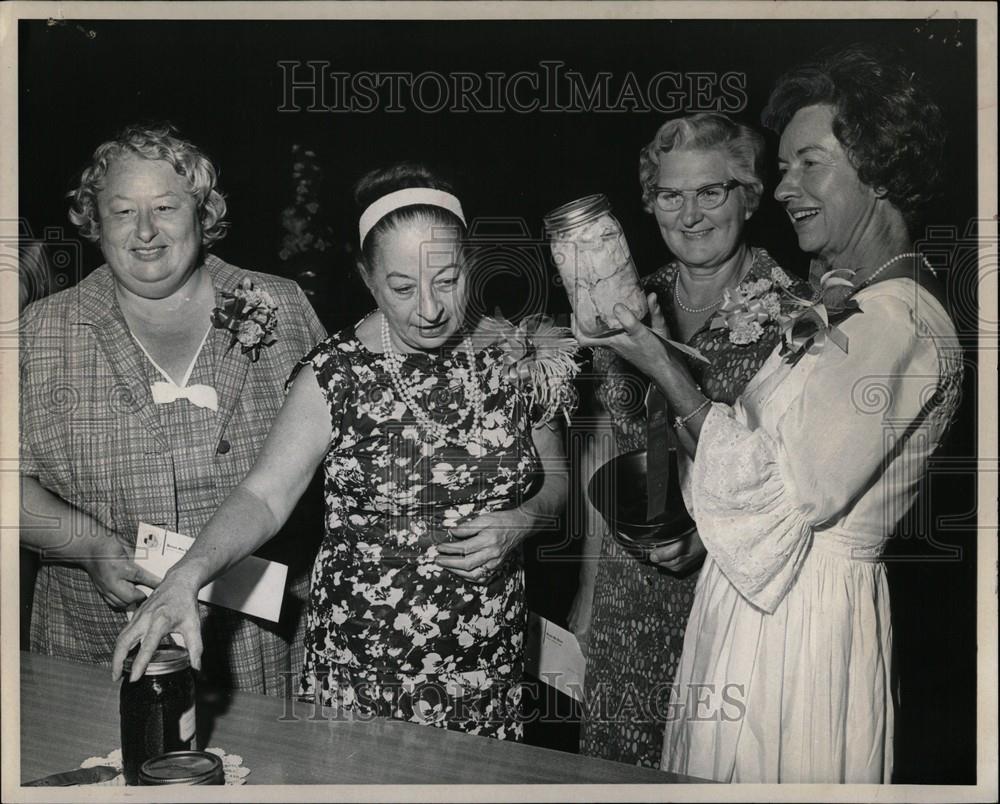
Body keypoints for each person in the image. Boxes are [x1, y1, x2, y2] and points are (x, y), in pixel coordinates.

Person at [581, 46, 962, 782]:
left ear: (878, 166)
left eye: (807, 163)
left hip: (801, 630)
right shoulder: (857, 305)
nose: (787, 186)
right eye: (784, 166)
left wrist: (660, 362)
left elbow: (783, 494)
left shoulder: (901, 322)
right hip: (744, 612)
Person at [112, 162, 571, 740]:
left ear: (470, 265)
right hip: (365, 669)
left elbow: (556, 481)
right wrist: (186, 576)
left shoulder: (523, 354)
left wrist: (524, 519)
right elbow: (264, 495)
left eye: (447, 280)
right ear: (368, 279)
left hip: (487, 663)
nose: (428, 308)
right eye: (401, 287)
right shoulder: (337, 374)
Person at [19, 124, 327, 693]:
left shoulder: (282, 306)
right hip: (95, 638)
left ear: (203, 213)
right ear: (93, 221)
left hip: (260, 645)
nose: (144, 232)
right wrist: (86, 545)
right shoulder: (41, 332)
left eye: (164, 207)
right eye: (121, 212)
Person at [573, 112, 808, 769]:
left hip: (731, 601)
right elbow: (603, 456)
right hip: (624, 603)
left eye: (713, 191)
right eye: (671, 194)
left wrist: (711, 532)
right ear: (649, 204)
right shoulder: (623, 308)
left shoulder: (797, 315)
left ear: (751, 196)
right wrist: (589, 601)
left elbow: (802, 489)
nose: (691, 214)